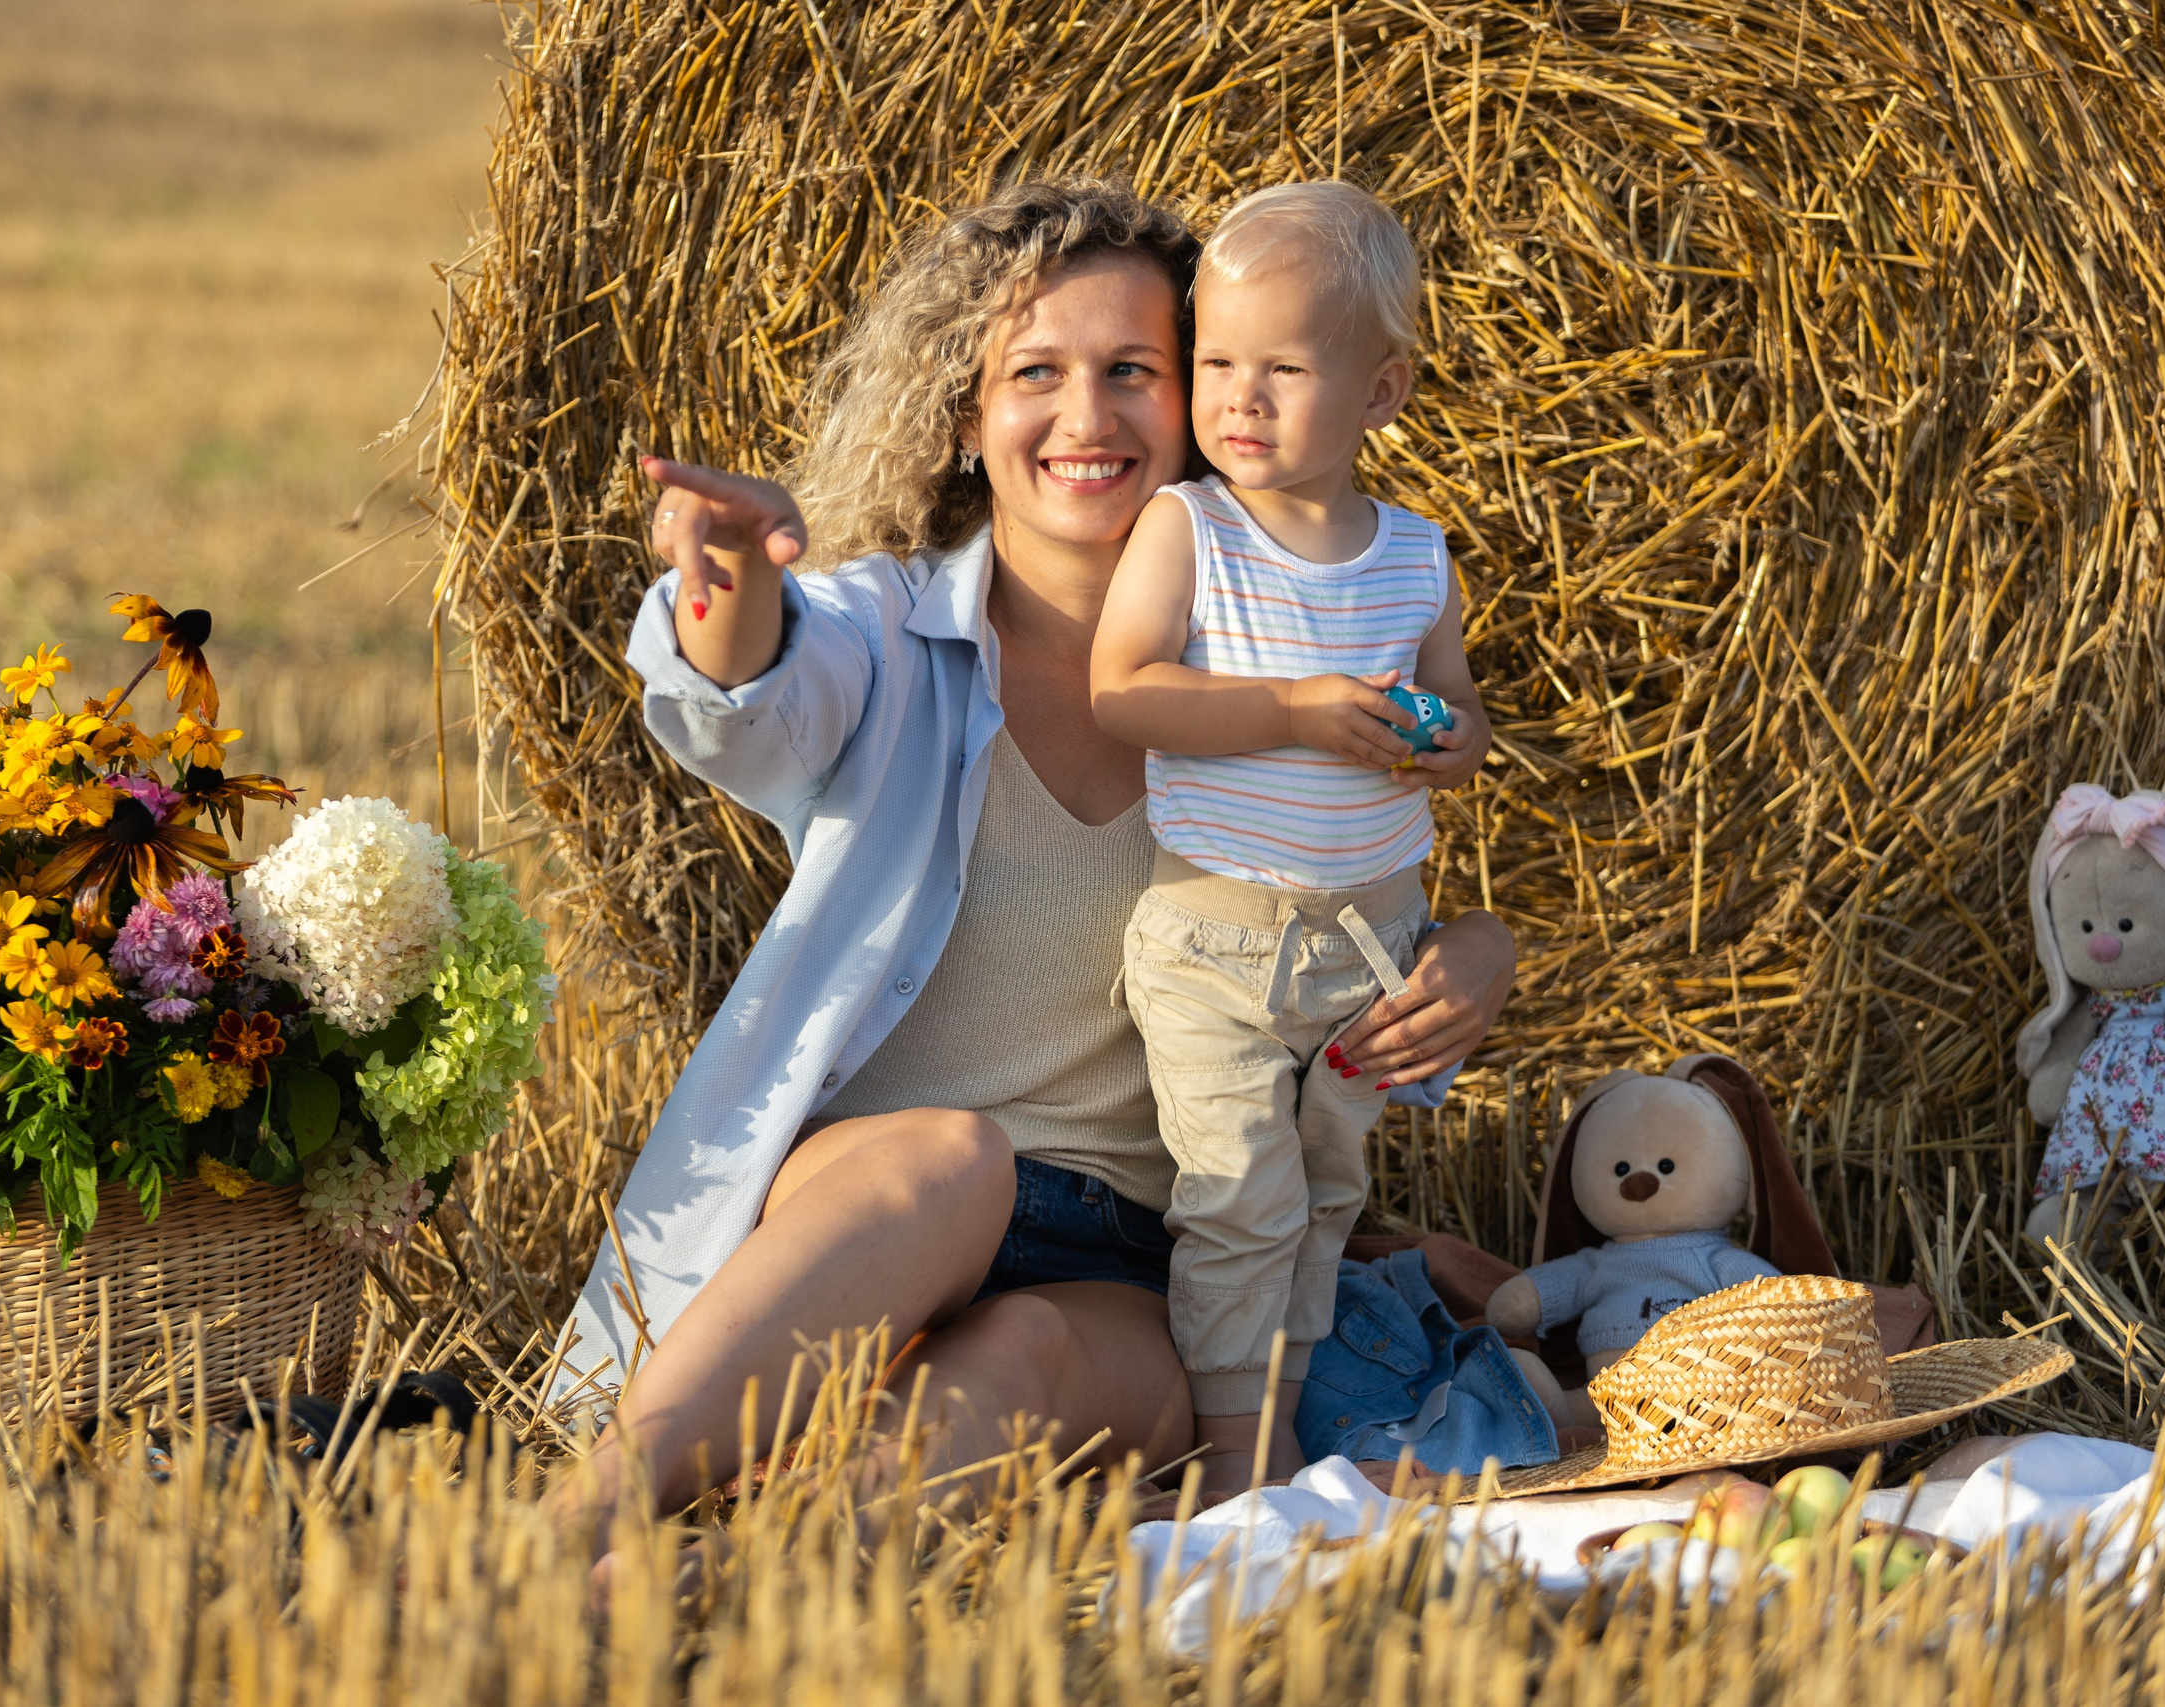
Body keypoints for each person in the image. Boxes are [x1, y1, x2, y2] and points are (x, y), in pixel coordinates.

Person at [555, 179, 1516, 1558]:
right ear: (964, 414)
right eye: (1034, 375)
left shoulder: (1285, 682)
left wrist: (1473, 952)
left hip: (1134, 1257)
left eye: (1136, 370)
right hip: (882, 1217)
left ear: (1203, 399)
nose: (1087, 417)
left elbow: (1345, 912)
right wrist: (734, 588)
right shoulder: (888, 636)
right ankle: (566, 1528)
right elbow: (753, 700)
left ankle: (738, 1584)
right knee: (956, 1160)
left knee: (1023, 1360)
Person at [1088, 182, 1490, 1494]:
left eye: (1281, 370)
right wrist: (1296, 709)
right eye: (1215, 365)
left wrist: (1437, 738)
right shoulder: (1191, 529)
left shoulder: (1418, 560)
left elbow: (1464, 721)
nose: (1237, 401)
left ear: (1381, 395)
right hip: (1219, 940)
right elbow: (1125, 687)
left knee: (1323, 1198)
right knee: (1239, 1199)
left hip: (1367, 945)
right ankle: (1237, 1462)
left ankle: (1293, 1412)